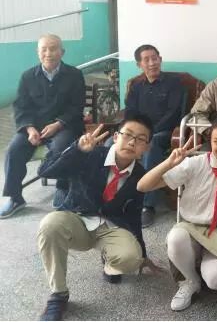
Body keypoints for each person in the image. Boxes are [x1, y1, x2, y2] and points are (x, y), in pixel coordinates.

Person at [36, 116, 160, 321]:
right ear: (115, 137)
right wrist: (77, 149)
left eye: (140, 139)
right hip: (77, 218)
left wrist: (143, 254)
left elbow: (134, 214)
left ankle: (109, 262)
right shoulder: (90, 154)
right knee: (50, 225)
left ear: (146, 148)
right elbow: (45, 171)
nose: (132, 142)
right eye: (128, 135)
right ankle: (58, 294)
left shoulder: (140, 175)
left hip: (110, 226)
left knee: (131, 258)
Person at [137, 116, 217, 311]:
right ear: (210, 142)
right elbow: (142, 186)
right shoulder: (195, 163)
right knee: (176, 238)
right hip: (190, 227)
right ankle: (191, 280)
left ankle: (204, 262)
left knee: (216, 279)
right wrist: (169, 163)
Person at [1, 34, 85, 218]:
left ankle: (62, 188)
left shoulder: (74, 75)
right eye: (44, 49)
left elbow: (77, 107)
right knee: (13, 150)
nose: (48, 53)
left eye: (53, 49)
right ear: (37, 52)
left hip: (65, 126)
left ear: (62, 52)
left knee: (61, 148)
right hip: (35, 128)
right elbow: (21, 107)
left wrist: (58, 124)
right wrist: (29, 128)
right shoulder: (27, 76)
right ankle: (14, 197)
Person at [125, 44, 185, 228]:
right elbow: (130, 113)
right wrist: (131, 133)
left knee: (152, 145)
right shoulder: (136, 86)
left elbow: (173, 113)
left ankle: (147, 205)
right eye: (147, 60)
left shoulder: (174, 83)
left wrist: (147, 135)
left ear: (160, 59)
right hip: (139, 132)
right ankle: (117, 196)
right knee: (112, 142)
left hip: (164, 132)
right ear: (139, 64)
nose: (152, 63)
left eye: (155, 58)